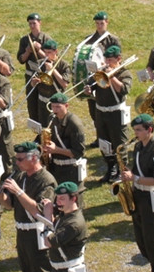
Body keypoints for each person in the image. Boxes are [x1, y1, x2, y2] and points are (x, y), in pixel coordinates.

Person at [0, 141, 60, 272]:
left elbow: (39, 211)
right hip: (23, 232)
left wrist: (18, 191)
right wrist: (0, 196)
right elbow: (10, 205)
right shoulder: (21, 176)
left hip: (38, 232)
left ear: (34, 158)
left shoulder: (46, 180)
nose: (17, 163)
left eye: (20, 159)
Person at [120, 114, 154, 272]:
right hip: (139, 194)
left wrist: (135, 178)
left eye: (139, 130)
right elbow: (137, 170)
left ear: (150, 130)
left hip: (151, 197)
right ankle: (153, 271)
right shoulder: (139, 146)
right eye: (135, 130)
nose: (136, 134)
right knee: (141, 236)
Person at [88, 44, 133, 183]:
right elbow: (92, 84)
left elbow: (124, 90)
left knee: (119, 142)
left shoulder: (124, 73)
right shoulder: (101, 71)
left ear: (118, 58)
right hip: (101, 111)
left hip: (116, 112)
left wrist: (112, 76)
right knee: (104, 141)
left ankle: (122, 170)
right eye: (106, 59)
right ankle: (110, 167)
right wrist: (89, 89)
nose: (107, 63)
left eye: (110, 60)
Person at [78, 11, 121, 131]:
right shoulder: (89, 39)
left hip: (107, 76)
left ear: (107, 22)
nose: (99, 26)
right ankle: (99, 133)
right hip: (92, 75)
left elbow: (119, 60)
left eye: (101, 23)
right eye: (97, 23)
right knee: (93, 108)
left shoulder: (113, 40)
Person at [42, 92, 87, 201]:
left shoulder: (75, 124)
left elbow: (78, 152)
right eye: (52, 106)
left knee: (73, 199)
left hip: (71, 169)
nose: (54, 110)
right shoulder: (52, 118)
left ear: (66, 106)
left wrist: (56, 150)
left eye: (58, 107)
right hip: (56, 167)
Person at [17, 13, 51, 123]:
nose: (32, 26)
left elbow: (51, 59)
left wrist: (39, 50)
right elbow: (21, 60)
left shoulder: (46, 39)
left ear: (39, 23)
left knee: (43, 103)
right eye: (30, 24)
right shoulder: (24, 40)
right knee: (32, 103)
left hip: (43, 76)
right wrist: (28, 51)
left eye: (34, 23)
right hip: (30, 76)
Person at [32, 39, 71, 128]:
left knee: (56, 127)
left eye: (49, 52)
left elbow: (64, 84)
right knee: (43, 127)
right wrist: (34, 82)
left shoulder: (64, 65)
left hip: (56, 102)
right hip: (42, 101)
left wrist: (52, 70)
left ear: (56, 51)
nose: (46, 55)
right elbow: (33, 84)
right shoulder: (40, 63)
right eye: (45, 52)